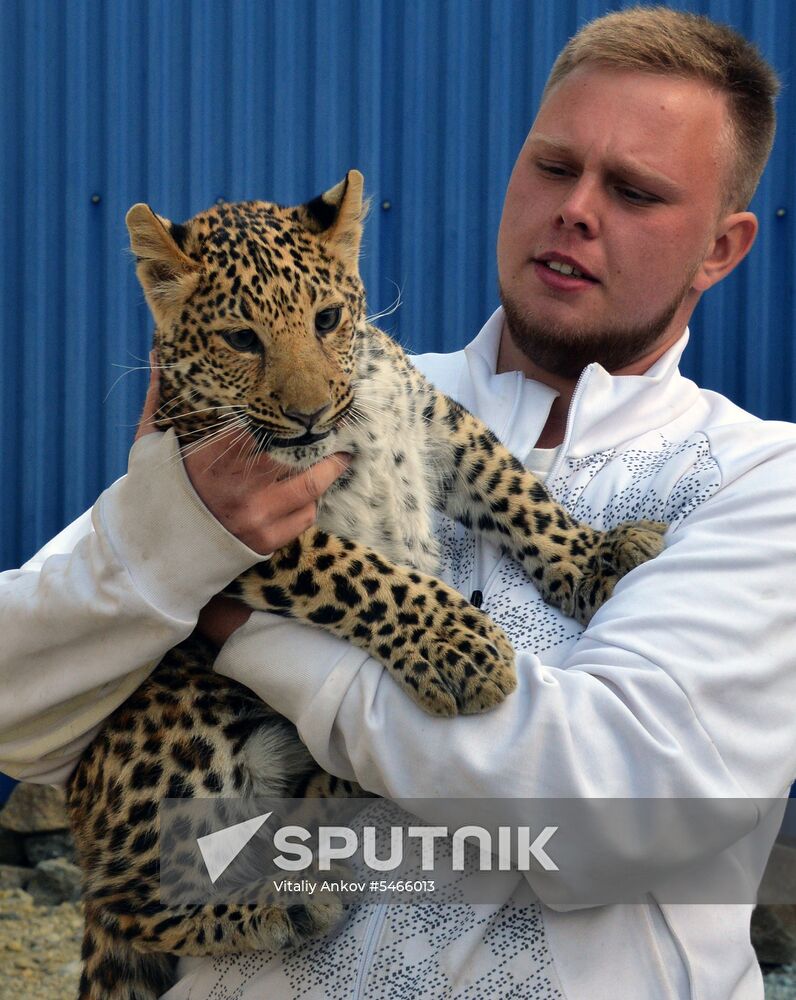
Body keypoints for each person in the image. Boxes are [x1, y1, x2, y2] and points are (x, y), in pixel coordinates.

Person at [1, 6, 794, 999]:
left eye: (634, 191)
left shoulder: (758, 479)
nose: (576, 210)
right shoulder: (258, 434)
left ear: (720, 250)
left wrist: (232, 614)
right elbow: (14, 706)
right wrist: (167, 540)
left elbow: (601, 818)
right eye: (553, 166)